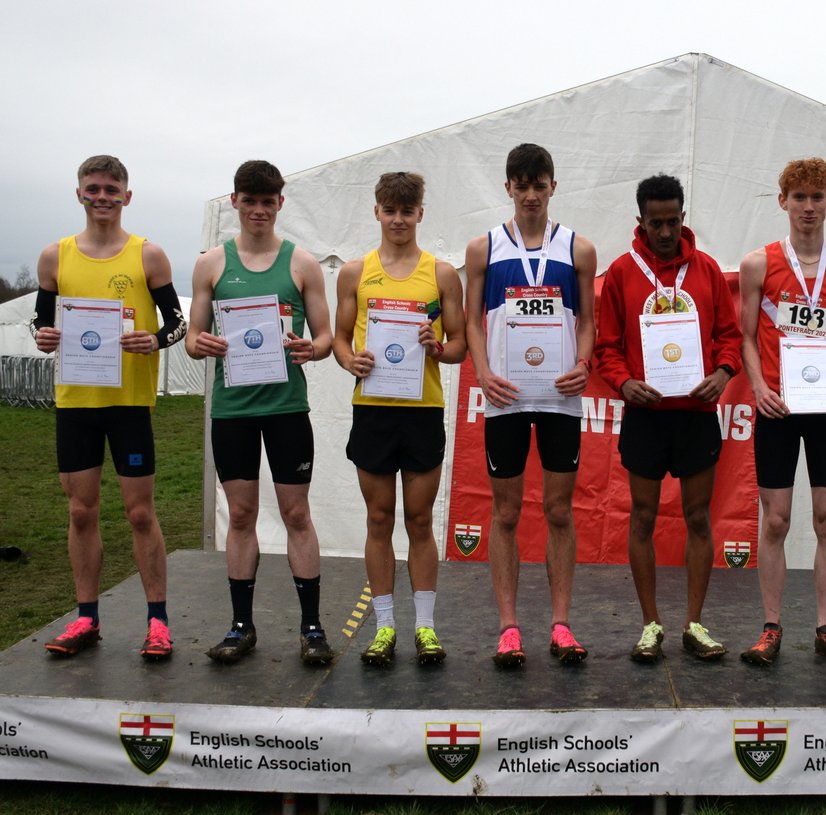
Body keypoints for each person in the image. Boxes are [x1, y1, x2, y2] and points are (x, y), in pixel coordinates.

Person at [32, 155, 185, 659]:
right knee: (81, 511)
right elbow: (40, 324)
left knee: (140, 513)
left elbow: (177, 324)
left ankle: (158, 623)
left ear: (127, 196)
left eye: (111, 188)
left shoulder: (149, 256)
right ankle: (86, 619)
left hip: (128, 404)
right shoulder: (55, 256)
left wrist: (155, 341)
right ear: (79, 194)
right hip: (76, 403)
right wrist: (44, 337)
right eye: (93, 188)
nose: (102, 196)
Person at [187, 160, 334, 665]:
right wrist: (201, 342)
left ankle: (312, 628)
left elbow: (326, 337)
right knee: (242, 515)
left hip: (287, 409)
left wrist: (310, 350)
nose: (257, 210)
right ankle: (240, 626)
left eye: (267, 201)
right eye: (249, 200)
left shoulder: (302, 264)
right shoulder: (211, 264)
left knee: (296, 513)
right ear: (235, 202)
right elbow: (191, 339)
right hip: (233, 411)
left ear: (279, 204)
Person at [595, 173, 742, 662]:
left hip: (696, 412)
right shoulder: (620, 272)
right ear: (640, 221)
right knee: (642, 517)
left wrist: (723, 373)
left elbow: (729, 336)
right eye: (655, 222)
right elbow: (606, 347)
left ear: (683, 218)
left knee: (698, 516)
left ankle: (694, 624)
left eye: (673, 221)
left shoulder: (706, 271)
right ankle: (650, 624)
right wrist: (622, 383)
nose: (664, 231)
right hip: (646, 414)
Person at [463, 144, 596, 667]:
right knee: (506, 511)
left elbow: (587, 320)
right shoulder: (484, 248)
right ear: (509, 189)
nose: (532, 195)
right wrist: (483, 372)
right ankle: (508, 627)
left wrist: (583, 363)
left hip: (560, 397)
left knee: (560, 510)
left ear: (553, 187)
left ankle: (561, 624)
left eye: (540, 185)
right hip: (507, 397)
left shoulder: (578, 249)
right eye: (522, 186)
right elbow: (473, 321)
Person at [737, 158, 826, 665]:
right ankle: (771, 627)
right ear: (783, 202)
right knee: (775, 520)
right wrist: (758, 388)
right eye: (799, 197)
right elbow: (747, 336)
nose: (808, 207)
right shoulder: (759, 263)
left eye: (817, 197)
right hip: (778, 407)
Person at [334, 172, 466, 666]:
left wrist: (439, 347)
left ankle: (426, 629)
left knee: (418, 519)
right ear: (377, 212)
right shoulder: (354, 272)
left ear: (420, 215)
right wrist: (349, 361)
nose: (398, 220)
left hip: (422, 411)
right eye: (390, 210)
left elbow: (459, 345)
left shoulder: (442, 273)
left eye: (406, 211)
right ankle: (385, 627)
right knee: (378, 517)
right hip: (372, 411)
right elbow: (342, 339)